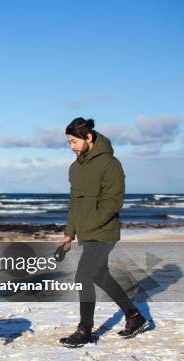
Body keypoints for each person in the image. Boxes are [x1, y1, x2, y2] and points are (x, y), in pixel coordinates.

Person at [59, 117, 148, 347]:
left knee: (83, 277)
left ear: (88, 137)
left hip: (104, 231)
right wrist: (70, 233)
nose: (72, 147)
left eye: (74, 142)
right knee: (100, 276)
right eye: (68, 143)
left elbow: (113, 201)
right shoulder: (75, 168)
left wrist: (91, 224)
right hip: (86, 233)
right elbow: (74, 203)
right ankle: (134, 316)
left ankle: (85, 330)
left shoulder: (110, 163)